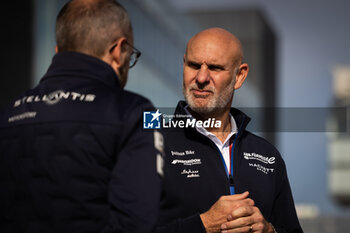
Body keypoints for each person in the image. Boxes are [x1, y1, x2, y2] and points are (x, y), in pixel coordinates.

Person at [0, 1, 163, 233]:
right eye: (130, 56)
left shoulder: (7, 115)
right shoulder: (138, 112)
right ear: (118, 50)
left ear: (57, 51)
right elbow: (136, 223)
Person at [156, 28, 303, 233]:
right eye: (194, 65)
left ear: (239, 76)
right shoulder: (150, 143)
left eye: (215, 68)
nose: (201, 77)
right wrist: (203, 225)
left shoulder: (268, 156)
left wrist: (269, 230)